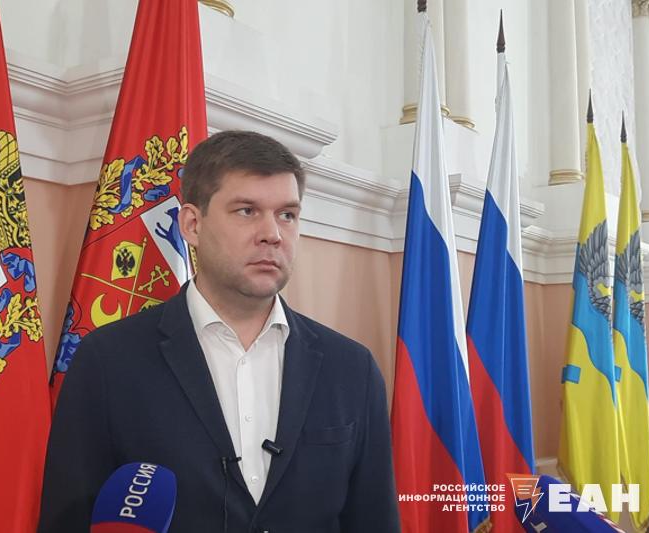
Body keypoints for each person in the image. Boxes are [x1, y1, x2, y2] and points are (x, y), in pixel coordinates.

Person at [38, 130, 399, 532]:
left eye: (287, 215)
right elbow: (67, 520)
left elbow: (375, 520)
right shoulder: (109, 360)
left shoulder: (351, 368)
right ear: (192, 224)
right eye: (247, 211)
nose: (273, 233)